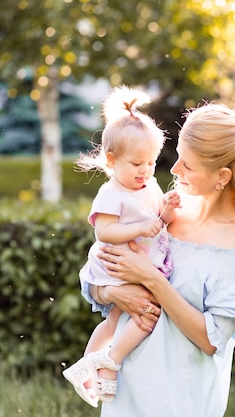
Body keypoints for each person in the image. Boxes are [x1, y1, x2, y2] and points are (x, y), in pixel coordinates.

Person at [83, 102, 235, 417]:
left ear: (222, 176)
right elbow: (101, 269)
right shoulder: (168, 211)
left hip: (180, 399)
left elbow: (212, 339)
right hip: (126, 389)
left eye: (187, 164)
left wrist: (152, 280)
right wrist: (111, 292)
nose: (173, 170)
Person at [62, 86, 181, 408]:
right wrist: (141, 227)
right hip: (116, 264)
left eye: (152, 163)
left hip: (138, 261)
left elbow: (158, 219)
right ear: (112, 160)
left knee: (116, 321)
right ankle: (108, 364)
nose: (145, 171)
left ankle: (89, 366)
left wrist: (167, 209)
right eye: (137, 163)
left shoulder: (149, 185)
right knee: (144, 316)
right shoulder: (112, 193)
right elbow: (104, 231)